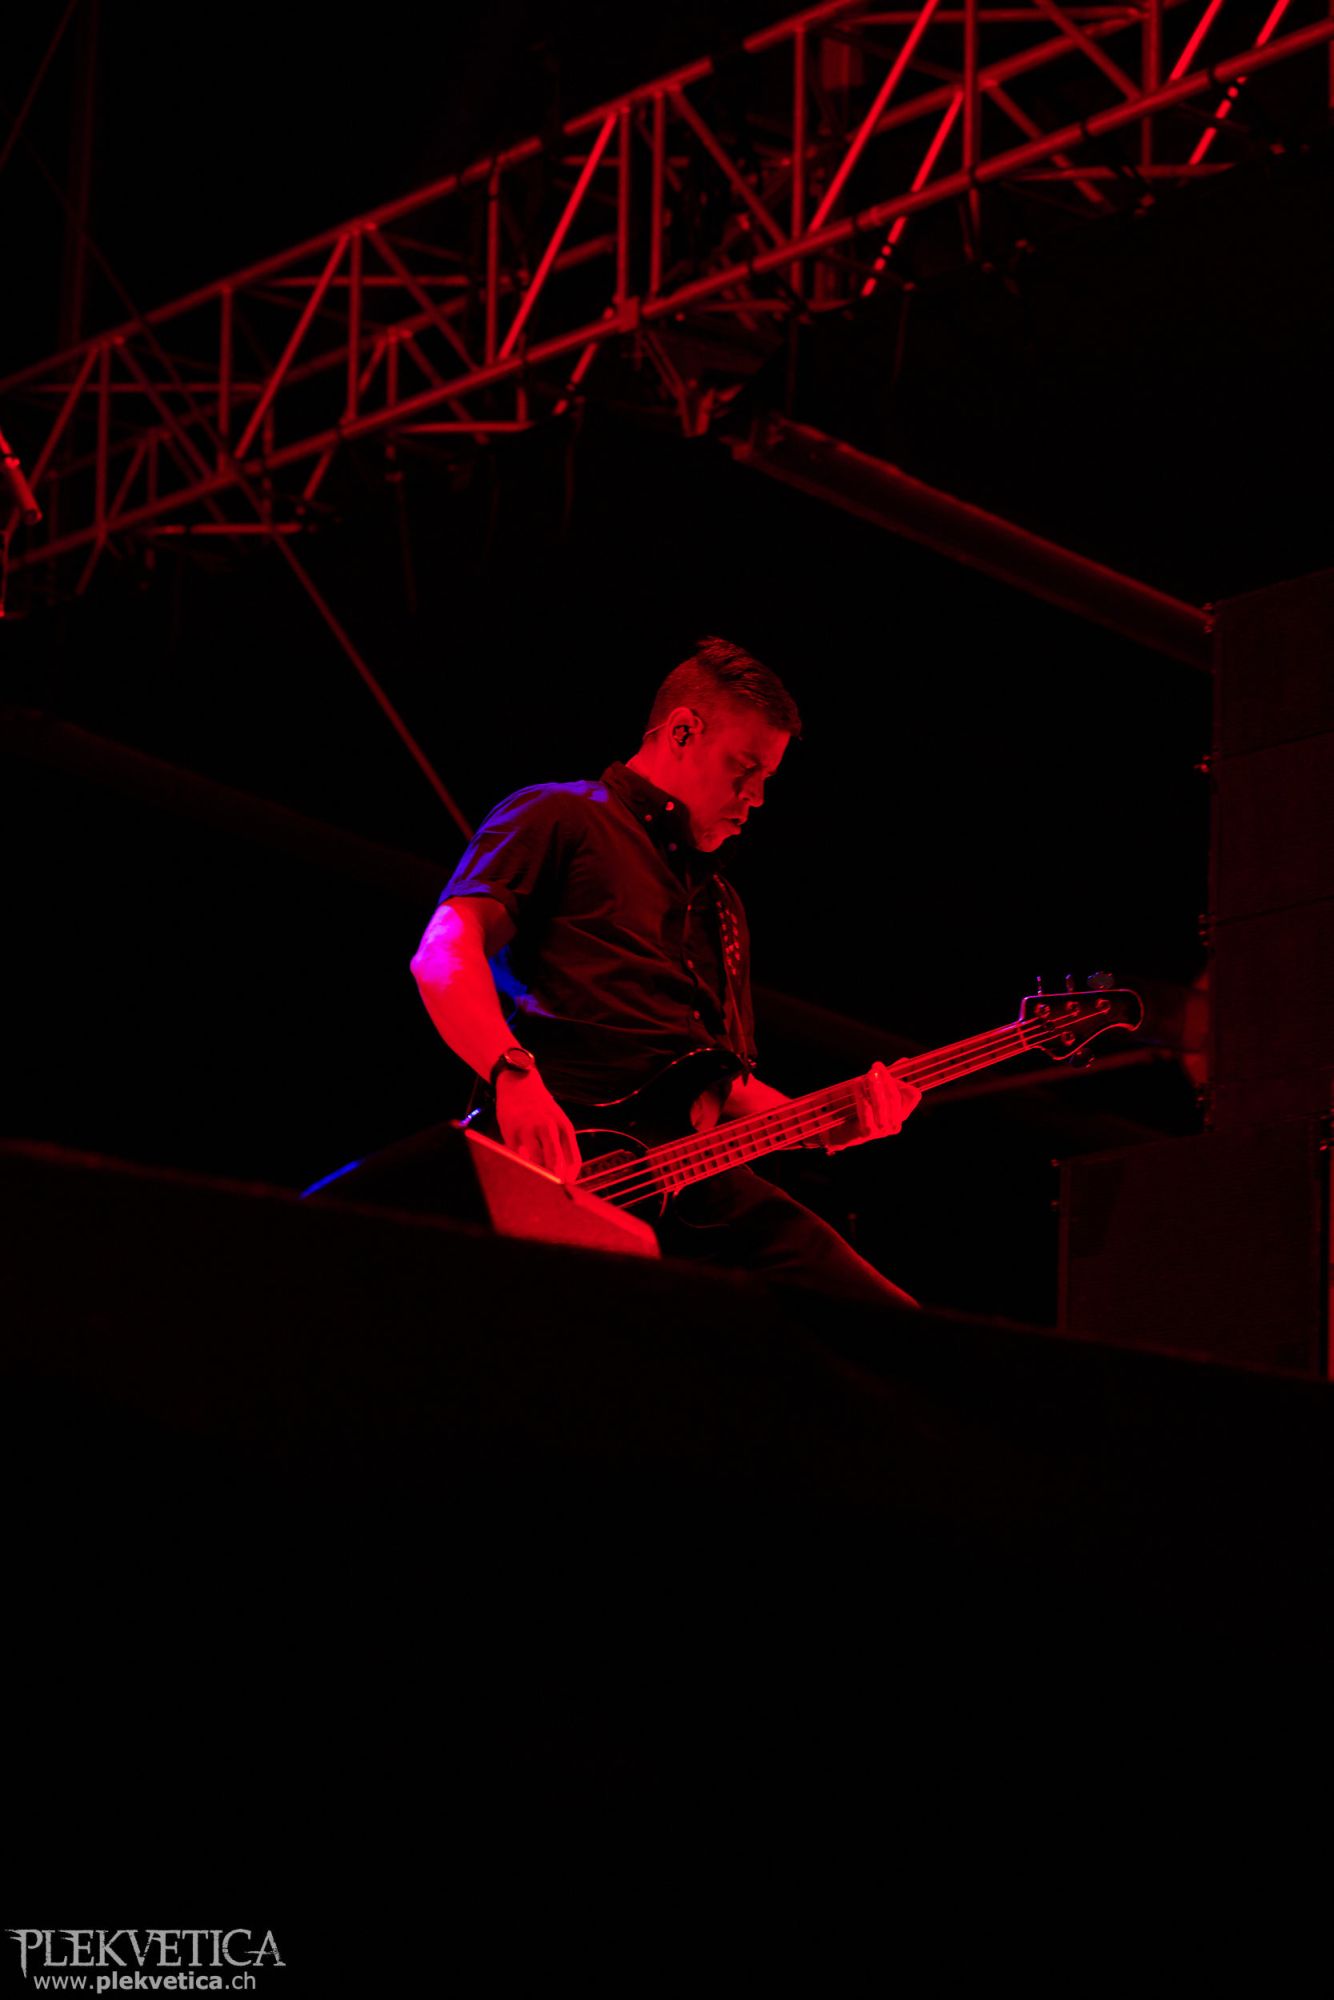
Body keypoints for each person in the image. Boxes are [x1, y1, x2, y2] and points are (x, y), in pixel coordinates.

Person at [410, 637, 920, 1307]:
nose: (756, 797)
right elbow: (443, 951)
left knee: (886, 1328)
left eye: (767, 778)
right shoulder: (562, 815)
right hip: (561, 1167)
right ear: (683, 731)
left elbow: (717, 1087)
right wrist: (513, 1073)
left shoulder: (722, 906)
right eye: (745, 768)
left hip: (690, 1185)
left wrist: (827, 1123)